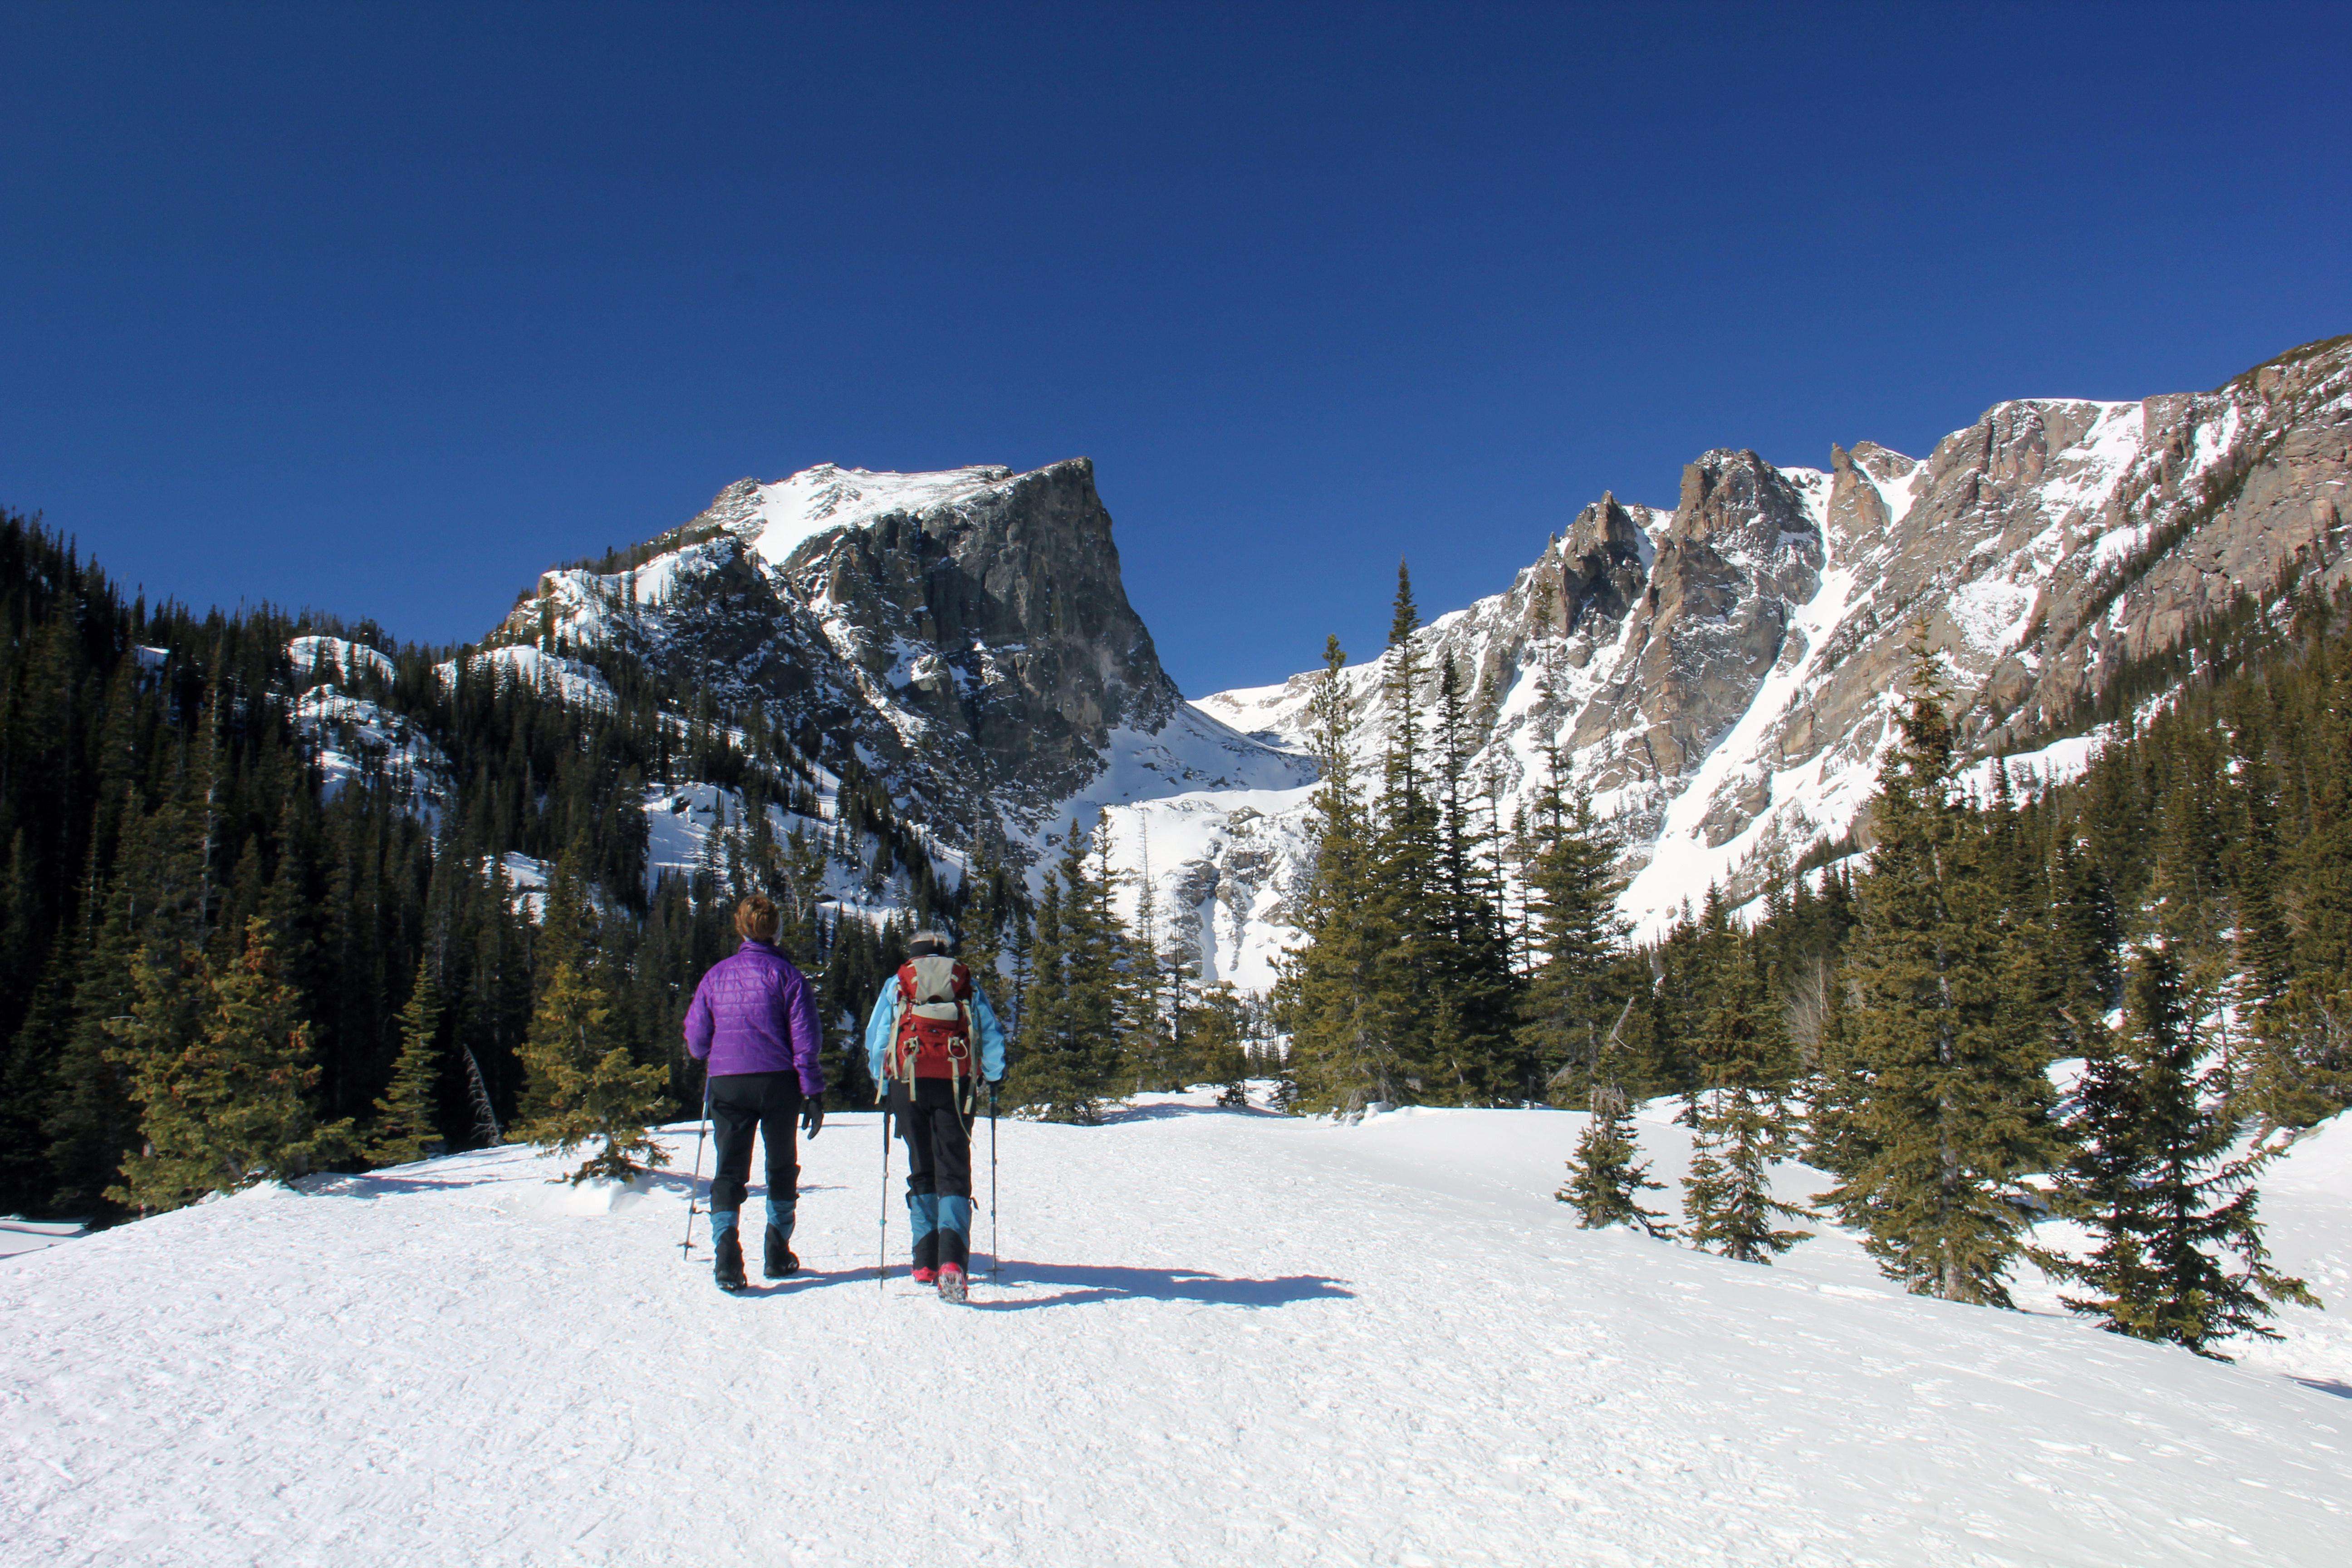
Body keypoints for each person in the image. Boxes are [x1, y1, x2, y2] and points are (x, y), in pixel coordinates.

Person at [685, 894, 825, 1293]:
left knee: (729, 1170)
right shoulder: (789, 976)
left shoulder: (716, 977)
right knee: (781, 1166)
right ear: (776, 931)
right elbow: (806, 1043)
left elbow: (696, 1043)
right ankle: (777, 1253)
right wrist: (813, 1093)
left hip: (728, 1081)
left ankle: (727, 1257)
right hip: (778, 1082)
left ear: (741, 928)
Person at [862, 928, 1007, 1301]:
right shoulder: (964, 982)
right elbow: (989, 1033)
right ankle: (952, 1263)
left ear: (913, 952)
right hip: (955, 1084)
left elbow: (877, 1037)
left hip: (906, 1081)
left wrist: (883, 1077)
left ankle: (924, 1261)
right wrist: (993, 1075)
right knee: (953, 1169)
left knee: (921, 1166)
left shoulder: (898, 983)